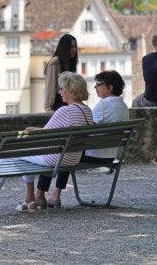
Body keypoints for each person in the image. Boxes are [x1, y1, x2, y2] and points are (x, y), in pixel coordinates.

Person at [0, 71, 94, 214]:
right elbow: (52, 132)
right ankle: (29, 200)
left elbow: (44, 135)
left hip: (57, 159)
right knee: (25, 154)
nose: (60, 92)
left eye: (62, 88)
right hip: (72, 158)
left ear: (70, 90)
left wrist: (35, 131)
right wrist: (38, 130)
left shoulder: (65, 111)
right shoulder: (87, 111)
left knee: (6, 153)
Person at [34, 70, 130, 208]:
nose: (95, 87)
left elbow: (86, 129)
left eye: (99, 84)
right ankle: (54, 194)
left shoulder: (103, 105)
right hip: (110, 156)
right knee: (70, 148)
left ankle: (44, 194)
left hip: (95, 155)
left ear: (110, 88)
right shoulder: (123, 106)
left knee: (64, 149)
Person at [43, 34, 78, 112]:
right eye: (71, 47)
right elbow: (50, 86)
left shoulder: (71, 63)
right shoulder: (55, 62)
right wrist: (48, 108)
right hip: (58, 103)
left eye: (75, 46)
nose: (74, 50)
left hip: (69, 102)